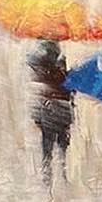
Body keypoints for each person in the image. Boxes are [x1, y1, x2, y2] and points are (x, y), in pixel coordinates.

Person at [28, 39, 75, 183]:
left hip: (47, 112)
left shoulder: (38, 70)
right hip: (62, 113)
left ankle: (47, 176)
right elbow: (70, 90)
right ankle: (63, 175)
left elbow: (38, 94)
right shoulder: (63, 69)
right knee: (62, 146)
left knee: (47, 147)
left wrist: (36, 117)